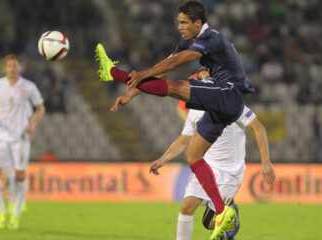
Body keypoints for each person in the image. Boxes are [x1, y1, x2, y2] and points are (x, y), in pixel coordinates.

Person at [96, 1, 259, 239]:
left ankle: (111, 73)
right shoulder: (188, 40)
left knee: (178, 86)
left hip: (229, 94)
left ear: (198, 23)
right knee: (192, 156)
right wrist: (132, 94)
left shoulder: (210, 39)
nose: (179, 27)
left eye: (184, 22)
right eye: (178, 22)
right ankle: (223, 212)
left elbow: (174, 64)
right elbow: (162, 70)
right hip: (222, 102)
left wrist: (137, 75)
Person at [113, 69, 275, 240]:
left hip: (230, 171)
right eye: (200, 79)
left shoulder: (230, 103)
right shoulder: (194, 112)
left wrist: (266, 162)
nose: (204, 82)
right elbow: (184, 140)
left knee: (209, 222)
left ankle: (231, 214)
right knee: (186, 207)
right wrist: (163, 159)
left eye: (208, 79)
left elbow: (259, 128)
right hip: (206, 167)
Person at [0, 54, 45, 230]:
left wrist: (31, 124)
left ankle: (15, 213)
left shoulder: (28, 87)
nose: (12, 68)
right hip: (0, 136)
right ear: (4, 68)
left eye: (15, 65)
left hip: (20, 136)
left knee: (20, 175)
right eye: (9, 66)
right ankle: (1, 210)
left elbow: (40, 108)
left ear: (20, 68)